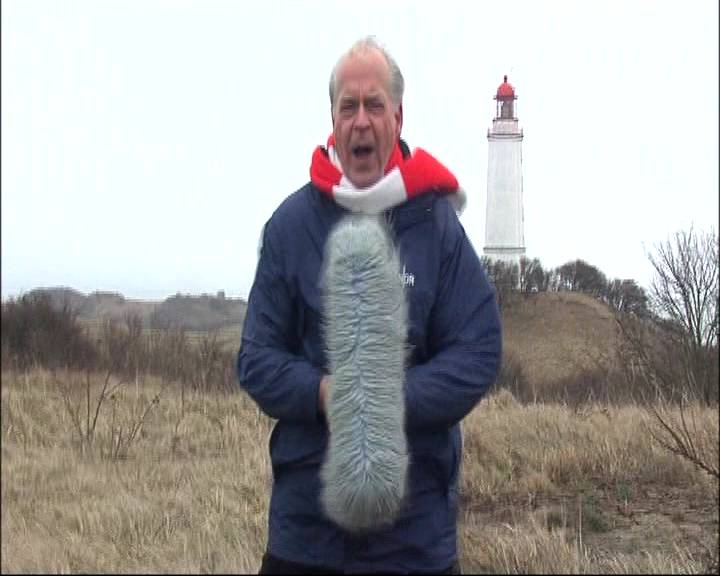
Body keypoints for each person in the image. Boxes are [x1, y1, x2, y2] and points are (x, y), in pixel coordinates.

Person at [237, 36, 502, 575]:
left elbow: (477, 350)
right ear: (332, 120)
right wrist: (323, 393)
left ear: (397, 118)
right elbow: (256, 358)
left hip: (415, 540)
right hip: (304, 537)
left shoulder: (436, 225)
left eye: (375, 105)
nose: (361, 120)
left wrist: (389, 398)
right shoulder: (290, 226)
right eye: (348, 106)